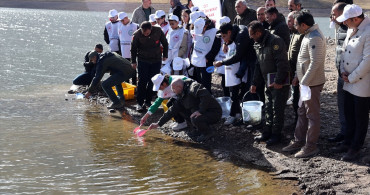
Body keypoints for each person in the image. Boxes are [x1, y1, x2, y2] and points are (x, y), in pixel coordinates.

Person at [282, 11, 326, 158]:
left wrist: (305, 81)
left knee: (312, 115)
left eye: (296, 24)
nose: (294, 27)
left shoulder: (315, 38)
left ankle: (311, 146)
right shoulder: (307, 35)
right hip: (305, 83)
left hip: (311, 84)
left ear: (304, 25)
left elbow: (316, 62)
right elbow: (302, 60)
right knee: (302, 112)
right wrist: (297, 76)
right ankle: (299, 141)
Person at [333, 4, 370, 161]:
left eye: (346, 20)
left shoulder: (368, 32)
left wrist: (352, 76)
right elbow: (344, 50)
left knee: (360, 116)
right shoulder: (351, 27)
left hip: (361, 83)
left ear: (356, 18)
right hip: (348, 79)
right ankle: (347, 141)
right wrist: (342, 71)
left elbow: (368, 60)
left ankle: (355, 147)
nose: (344, 23)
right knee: (349, 113)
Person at [248, 21, 290, 146]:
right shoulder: (258, 43)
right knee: (268, 107)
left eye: (252, 34)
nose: (251, 37)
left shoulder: (275, 41)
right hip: (267, 80)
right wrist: (254, 83)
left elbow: (282, 63)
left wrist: (278, 81)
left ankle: (276, 135)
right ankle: (267, 132)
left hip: (279, 81)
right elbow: (258, 65)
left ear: (259, 32)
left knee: (277, 108)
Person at [147, 79, 222, 142]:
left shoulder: (194, 87)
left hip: (214, 113)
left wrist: (200, 111)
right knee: (180, 110)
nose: (173, 91)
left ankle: (207, 132)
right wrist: (158, 124)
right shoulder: (181, 95)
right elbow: (171, 111)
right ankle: (199, 129)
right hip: (202, 112)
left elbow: (206, 96)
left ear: (179, 87)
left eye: (174, 89)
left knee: (195, 118)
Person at [214, 22, 257, 125]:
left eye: (224, 36)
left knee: (246, 91)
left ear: (229, 32)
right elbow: (231, 41)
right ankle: (238, 113)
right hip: (244, 63)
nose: (223, 39)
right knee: (237, 91)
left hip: (251, 63)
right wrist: (226, 43)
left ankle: (245, 116)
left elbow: (237, 56)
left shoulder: (241, 35)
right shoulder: (235, 31)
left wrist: (222, 63)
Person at [131, 21, 168, 111]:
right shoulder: (137, 35)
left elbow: (165, 43)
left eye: (147, 33)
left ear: (151, 29)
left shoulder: (158, 30)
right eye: (144, 33)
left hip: (156, 59)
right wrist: (133, 62)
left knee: (153, 80)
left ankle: (148, 101)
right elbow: (133, 49)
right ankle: (139, 103)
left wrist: (165, 55)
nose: (146, 35)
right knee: (142, 81)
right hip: (143, 60)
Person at [328, 2, 349, 143]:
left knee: (351, 108)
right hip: (340, 73)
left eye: (334, 14)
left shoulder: (353, 29)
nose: (332, 17)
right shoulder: (341, 27)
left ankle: (350, 137)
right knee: (342, 105)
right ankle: (344, 132)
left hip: (350, 76)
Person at [191, 18, 221, 93]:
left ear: (206, 25)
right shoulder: (195, 29)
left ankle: (207, 95)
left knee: (206, 80)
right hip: (197, 59)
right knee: (198, 79)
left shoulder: (214, 32)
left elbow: (217, 47)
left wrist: (209, 57)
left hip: (207, 60)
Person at [286, 11, 304, 125]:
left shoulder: (301, 35)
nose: (288, 22)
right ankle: (297, 121)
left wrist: (297, 74)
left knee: (299, 99)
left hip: (300, 73)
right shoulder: (293, 33)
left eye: (290, 20)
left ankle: (300, 123)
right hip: (292, 71)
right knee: (295, 98)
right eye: (287, 20)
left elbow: (302, 56)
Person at [117, 12, 139, 85]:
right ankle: (126, 83)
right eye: (120, 21)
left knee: (133, 69)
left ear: (126, 18)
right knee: (125, 69)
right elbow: (119, 40)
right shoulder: (120, 26)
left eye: (122, 20)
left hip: (133, 52)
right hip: (123, 52)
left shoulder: (135, 26)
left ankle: (134, 84)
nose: (121, 22)